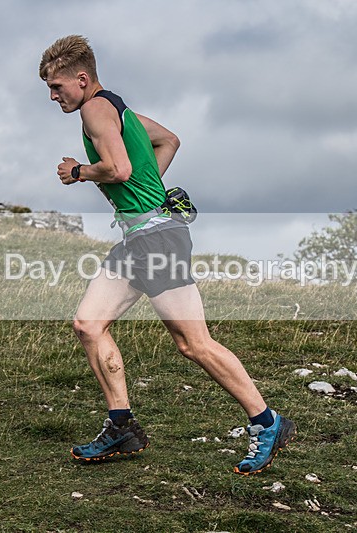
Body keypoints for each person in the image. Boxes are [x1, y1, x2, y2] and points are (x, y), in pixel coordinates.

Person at [39, 35, 296, 475]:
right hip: (139, 238)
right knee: (88, 324)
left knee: (193, 343)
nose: (52, 96)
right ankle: (122, 426)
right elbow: (170, 141)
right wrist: (150, 194)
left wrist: (78, 171)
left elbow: (118, 169)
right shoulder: (120, 110)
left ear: (81, 79)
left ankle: (268, 422)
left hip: (157, 240)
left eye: (56, 86)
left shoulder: (94, 110)